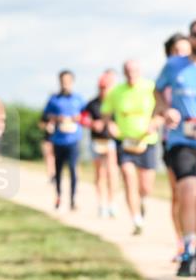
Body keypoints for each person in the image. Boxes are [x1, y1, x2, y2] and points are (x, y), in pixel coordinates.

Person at [156, 21, 196, 277]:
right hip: (182, 141)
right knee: (187, 192)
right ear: (189, 38)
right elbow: (157, 91)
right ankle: (187, 251)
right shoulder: (174, 66)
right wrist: (165, 109)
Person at [102, 59, 162, 235]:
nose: (131, 74)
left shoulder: (151, 87)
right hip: (125, 141)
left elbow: (161, 111)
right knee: (128, 177)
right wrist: (110, 125)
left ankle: (142, 200)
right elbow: (106, 113)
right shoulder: (116, 91)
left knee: (146, 186)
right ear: (123, 72)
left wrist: (155, 122)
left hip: (147, 141)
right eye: (127, 71)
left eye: (134, 71)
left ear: (140, 71)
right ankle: (136, 219)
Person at [160, 32, 196, 263]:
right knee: (179, 196)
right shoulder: (167, 78)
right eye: (177, 51)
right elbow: (155, 106)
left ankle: (194, 243)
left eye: (185, 50)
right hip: (172, 141)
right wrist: (164, 112)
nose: (182, 54)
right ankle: (181, 242)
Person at [42, 70, 85, 210]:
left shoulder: (79, 99)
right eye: (62, 81)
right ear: (59, 82)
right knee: (58, 170)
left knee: (73, 169)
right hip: (58, 140)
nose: (65, 83)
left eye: (67, 81)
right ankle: (58, 196)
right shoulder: (53, 99)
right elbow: (44, 116)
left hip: (73, 139)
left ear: (72, 82)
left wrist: (78, 118)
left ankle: (73, 199)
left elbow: (87, 116)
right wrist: (55, 118)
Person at [83, 70, 120, 218]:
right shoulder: (92, 104)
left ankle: (112, 203)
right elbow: (83, 119)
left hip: (111, 142)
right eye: (101, 87)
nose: (104, 90)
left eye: (106, 87)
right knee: (100, 174)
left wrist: (113, 126)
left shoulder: (115, 103)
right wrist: (92, 124)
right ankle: (101, 204)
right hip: (96, 142)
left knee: (112, 173)